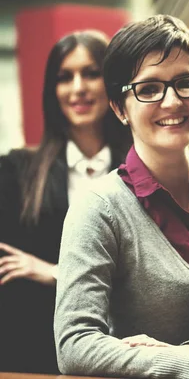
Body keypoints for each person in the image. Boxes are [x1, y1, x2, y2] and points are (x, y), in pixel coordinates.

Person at [54, 15, 189, 379]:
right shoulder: (99, 209)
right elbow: (75, 345)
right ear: (119, 108)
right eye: (149, 89)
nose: (172, 101)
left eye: (186, 83)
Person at [0, 30, 130, 374]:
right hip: (35, 355)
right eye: (64, 77)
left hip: (129, 351)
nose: (78, 88)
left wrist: (56, 273)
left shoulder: (140, 169)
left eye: (91, 73)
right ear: (51, 90)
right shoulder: (16, 172)